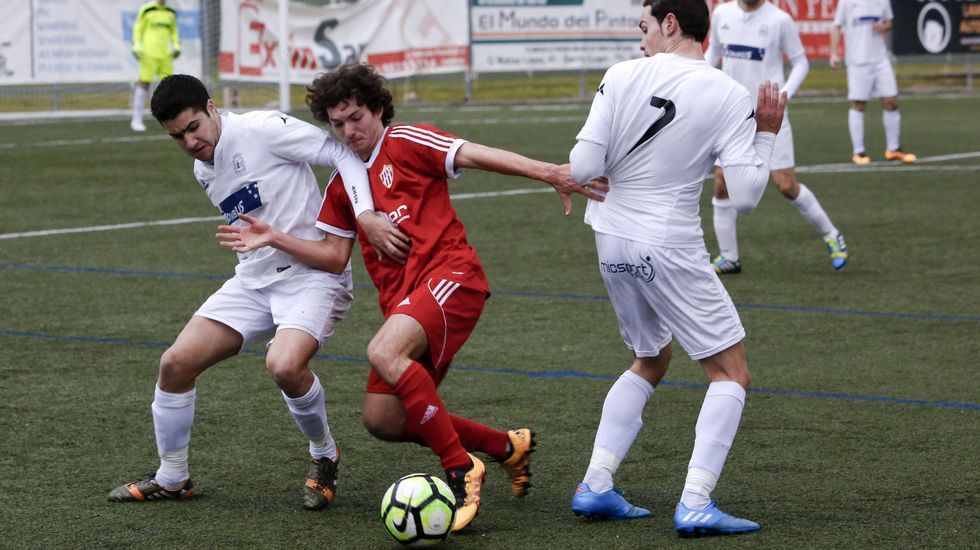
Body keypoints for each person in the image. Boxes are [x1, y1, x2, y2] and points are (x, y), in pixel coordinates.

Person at [213, 62, 603, 532]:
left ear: (377, 108)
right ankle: (505, 447)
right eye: (337, 124)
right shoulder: (341, 187)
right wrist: (274, 236)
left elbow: (475, 154)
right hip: (404, 303)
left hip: (452, 278)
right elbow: (334, 258)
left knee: (382, 350)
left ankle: (461, 469)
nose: (349, 131)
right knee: (384, 419)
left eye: (356, 117)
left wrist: (549, 172)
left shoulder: (406, 142)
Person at [107, 73, 404, 509]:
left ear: (211, 108)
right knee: (174, 364)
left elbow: (342, 153)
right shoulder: (201, 167)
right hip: (253, 280)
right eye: (177, 137)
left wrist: (366, 215)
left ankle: (325, 456)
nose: (189, 142)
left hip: (311, 279)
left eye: (193, 127)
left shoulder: (263, 130)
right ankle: (173, 478)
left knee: (283, 366)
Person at [565, 0, 786, 536]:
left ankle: (596, 485)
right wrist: (767, 132)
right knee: (730, 373)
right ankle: (695, 502)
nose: (640, 40)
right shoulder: (728, 92)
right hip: (666, 242)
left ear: (670, 23)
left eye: (644, 26)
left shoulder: (619, 75)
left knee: (650, 358)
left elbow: (581, 169)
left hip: (610, 237)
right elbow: (748, 198)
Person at [706, 0, 848, 272]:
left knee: (785, 185)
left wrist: (783, 96)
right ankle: (729, 257)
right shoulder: (722, 14)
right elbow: (712, 55)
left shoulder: (779, 20)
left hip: (771, 116)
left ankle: (832, 235)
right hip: (732, 116)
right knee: (722, 183)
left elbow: (800, 63)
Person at [830, 0, 916, 165]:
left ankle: (894, 148)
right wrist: (833, 54)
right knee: (859, 104)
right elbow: (836, 26)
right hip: (858, 61)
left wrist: (885, 27)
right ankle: (859, 152)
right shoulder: (846, 2)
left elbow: (889, 21)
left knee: (891, 101)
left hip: (881, 59)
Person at [130, 0, 181, 132]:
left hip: (165, 55)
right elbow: (138, 28)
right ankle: (136, 119)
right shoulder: (146, 9)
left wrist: (176, 45)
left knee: (168, 86)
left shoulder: (171, 12)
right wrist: (136, 44)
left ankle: (170, 119)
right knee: (144, 83)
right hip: (149, 54)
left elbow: (174, 31)